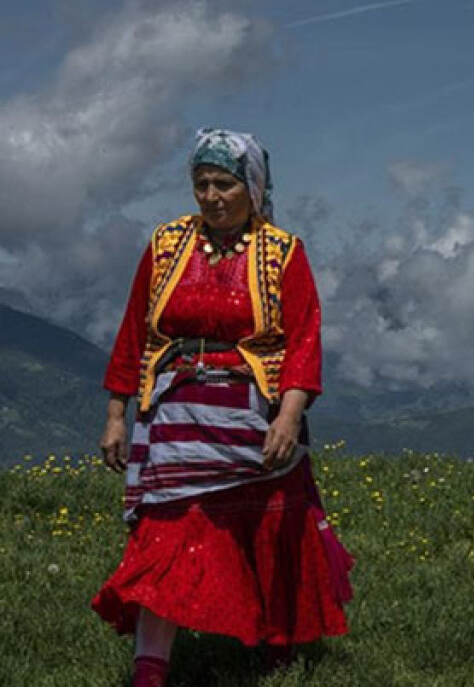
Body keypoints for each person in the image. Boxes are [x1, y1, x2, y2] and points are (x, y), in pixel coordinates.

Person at [92, 129, 353, 687]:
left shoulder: (282, 252)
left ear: (251, 187)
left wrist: (288, 416)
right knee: (165, 538)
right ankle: (150, 671)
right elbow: (134, 330)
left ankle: (277, 648)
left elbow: (303, 339)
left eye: (224, 184)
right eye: (201, 184)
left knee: (268, 533)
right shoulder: (166, 244)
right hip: (176, 418)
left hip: (254, 416)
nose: (211, 197)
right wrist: (116, 413)